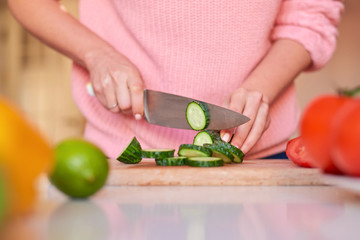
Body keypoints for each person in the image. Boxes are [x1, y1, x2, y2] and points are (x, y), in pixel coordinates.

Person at [7, 0, 344, 159]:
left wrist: (261, 90)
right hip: (121, 156)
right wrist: (96, 55)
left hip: (262, 156)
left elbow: (311, 14)